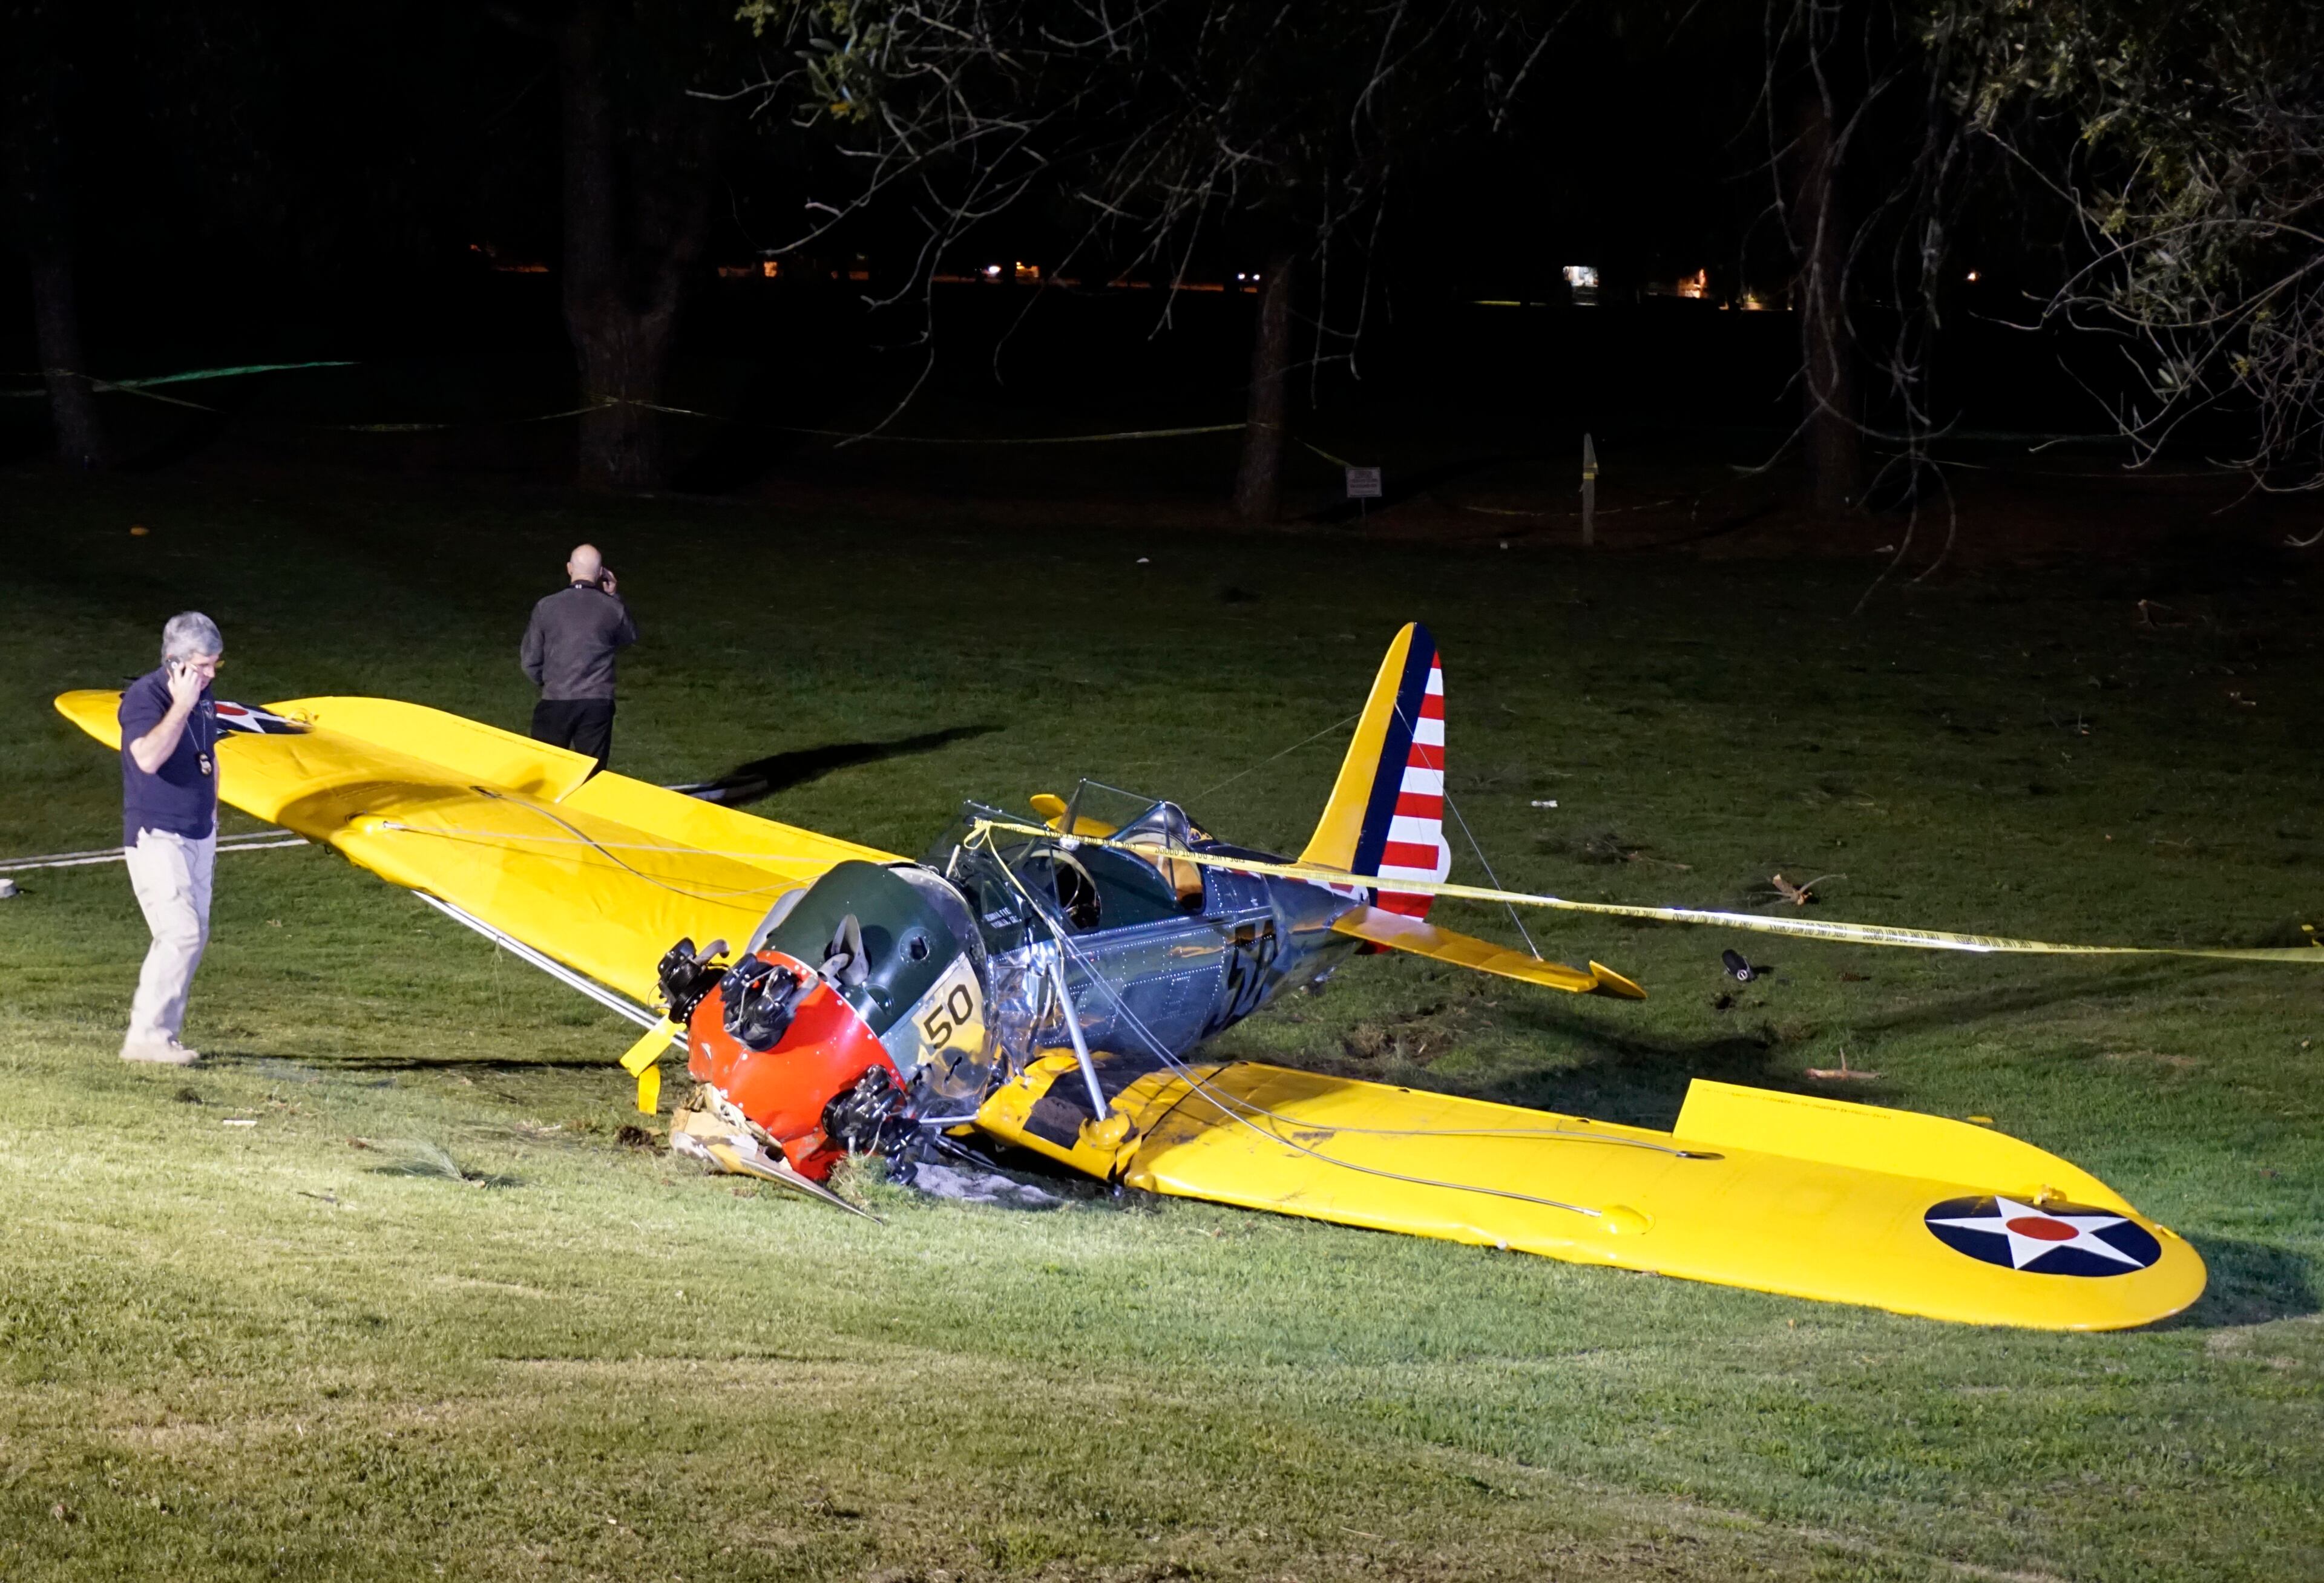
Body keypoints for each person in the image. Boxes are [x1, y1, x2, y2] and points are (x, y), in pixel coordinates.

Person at [119, 612, 225, 1066]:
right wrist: (180, 705)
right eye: (202, 666)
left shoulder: (203, 695)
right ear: (175, 662)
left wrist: (214, 809)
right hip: (157, 833)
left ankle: (164, 1037)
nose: (211, 674)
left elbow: (209, 753)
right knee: (178, 932)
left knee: (194, 935)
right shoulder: (147, 697)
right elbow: (146, 757)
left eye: (216, 664)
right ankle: (145, 1038)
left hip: (199, 831)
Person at [520, 543, 637, 772]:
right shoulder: (612, 608)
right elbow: (629, 636)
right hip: (597, 703)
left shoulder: (547, 606)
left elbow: (530, 660)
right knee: (591, 774)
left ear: (569, 568)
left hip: (556, 700)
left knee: (547, 772)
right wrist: (614, 596)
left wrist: (550, 683)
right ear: (601, 572)